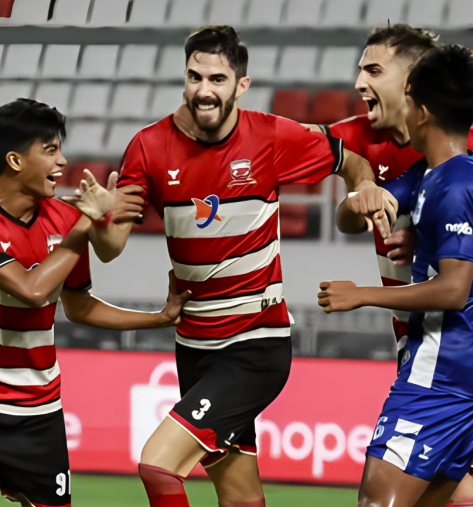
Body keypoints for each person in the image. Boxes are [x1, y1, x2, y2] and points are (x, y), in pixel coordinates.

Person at [73, 25, 394, 507]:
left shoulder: (273, 135)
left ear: (240, 86)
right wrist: (101, 218)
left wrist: (361, 190)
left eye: (217, 79)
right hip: (195, 345)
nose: (204, 89)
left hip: (256, 343)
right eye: (194, 76)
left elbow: (352, 163)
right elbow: (111, 247)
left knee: (158, 465)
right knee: (240, 493)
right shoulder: (148, 146)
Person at [0, 99, 190, 507]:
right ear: (15, 160)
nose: (63, 162)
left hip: (37, 407)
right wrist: (84, 226)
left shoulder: (62, 219)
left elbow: (79, 307)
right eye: (50, 150)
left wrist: (159, 319)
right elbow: (30, 289)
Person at [314, 24, 473, 507]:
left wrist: (365, 293)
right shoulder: (428, 171)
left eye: (374, 70)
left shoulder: (461, 172)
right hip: (452, 354)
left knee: (379, 500)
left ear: (418, 99)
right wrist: (361, 190)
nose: (359, 83)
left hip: (446, 358)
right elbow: (360, 210)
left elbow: (463, 282)